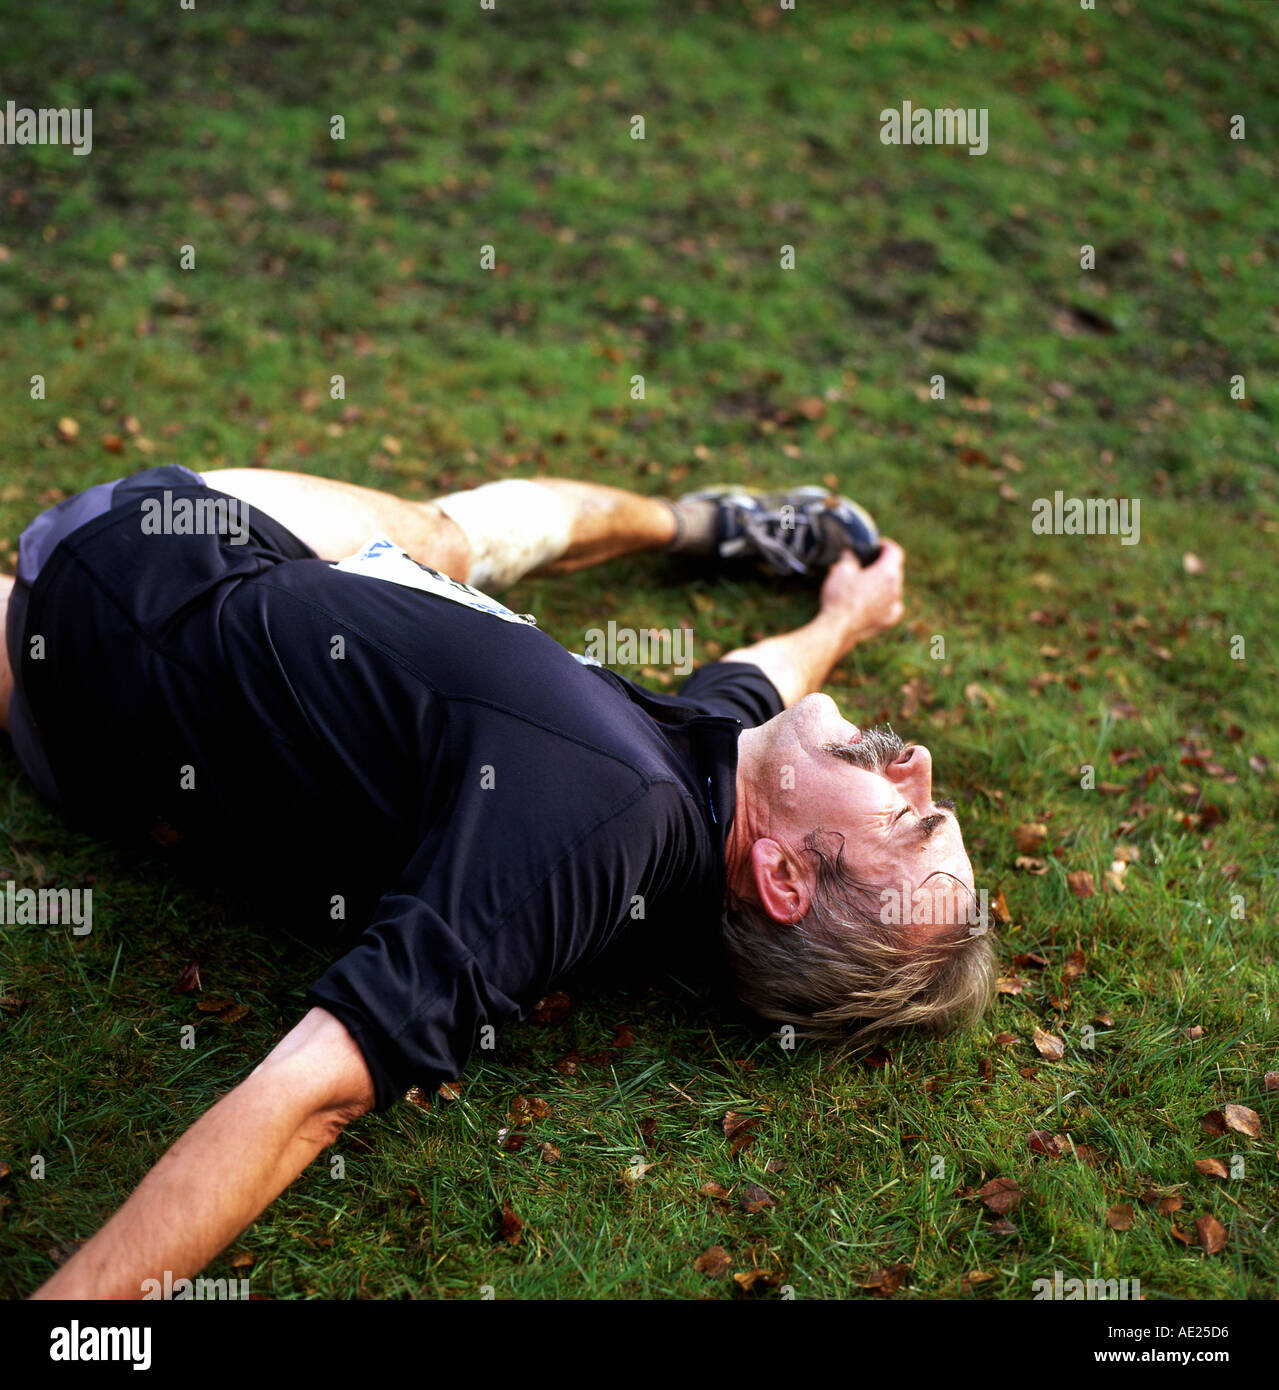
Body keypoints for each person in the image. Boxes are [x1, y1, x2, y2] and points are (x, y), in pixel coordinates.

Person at [1, 464, 992, 1299]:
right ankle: (721, 527)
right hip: (92, 702)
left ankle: (701, 521)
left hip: (146, 578)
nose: (918, 766)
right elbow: (753, 681)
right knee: (442, 554)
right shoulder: (699, 816)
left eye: (910, 817)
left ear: (782, 878)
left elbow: (310, 1093)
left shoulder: (605, 816)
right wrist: (845, 617)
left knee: (441, 537)